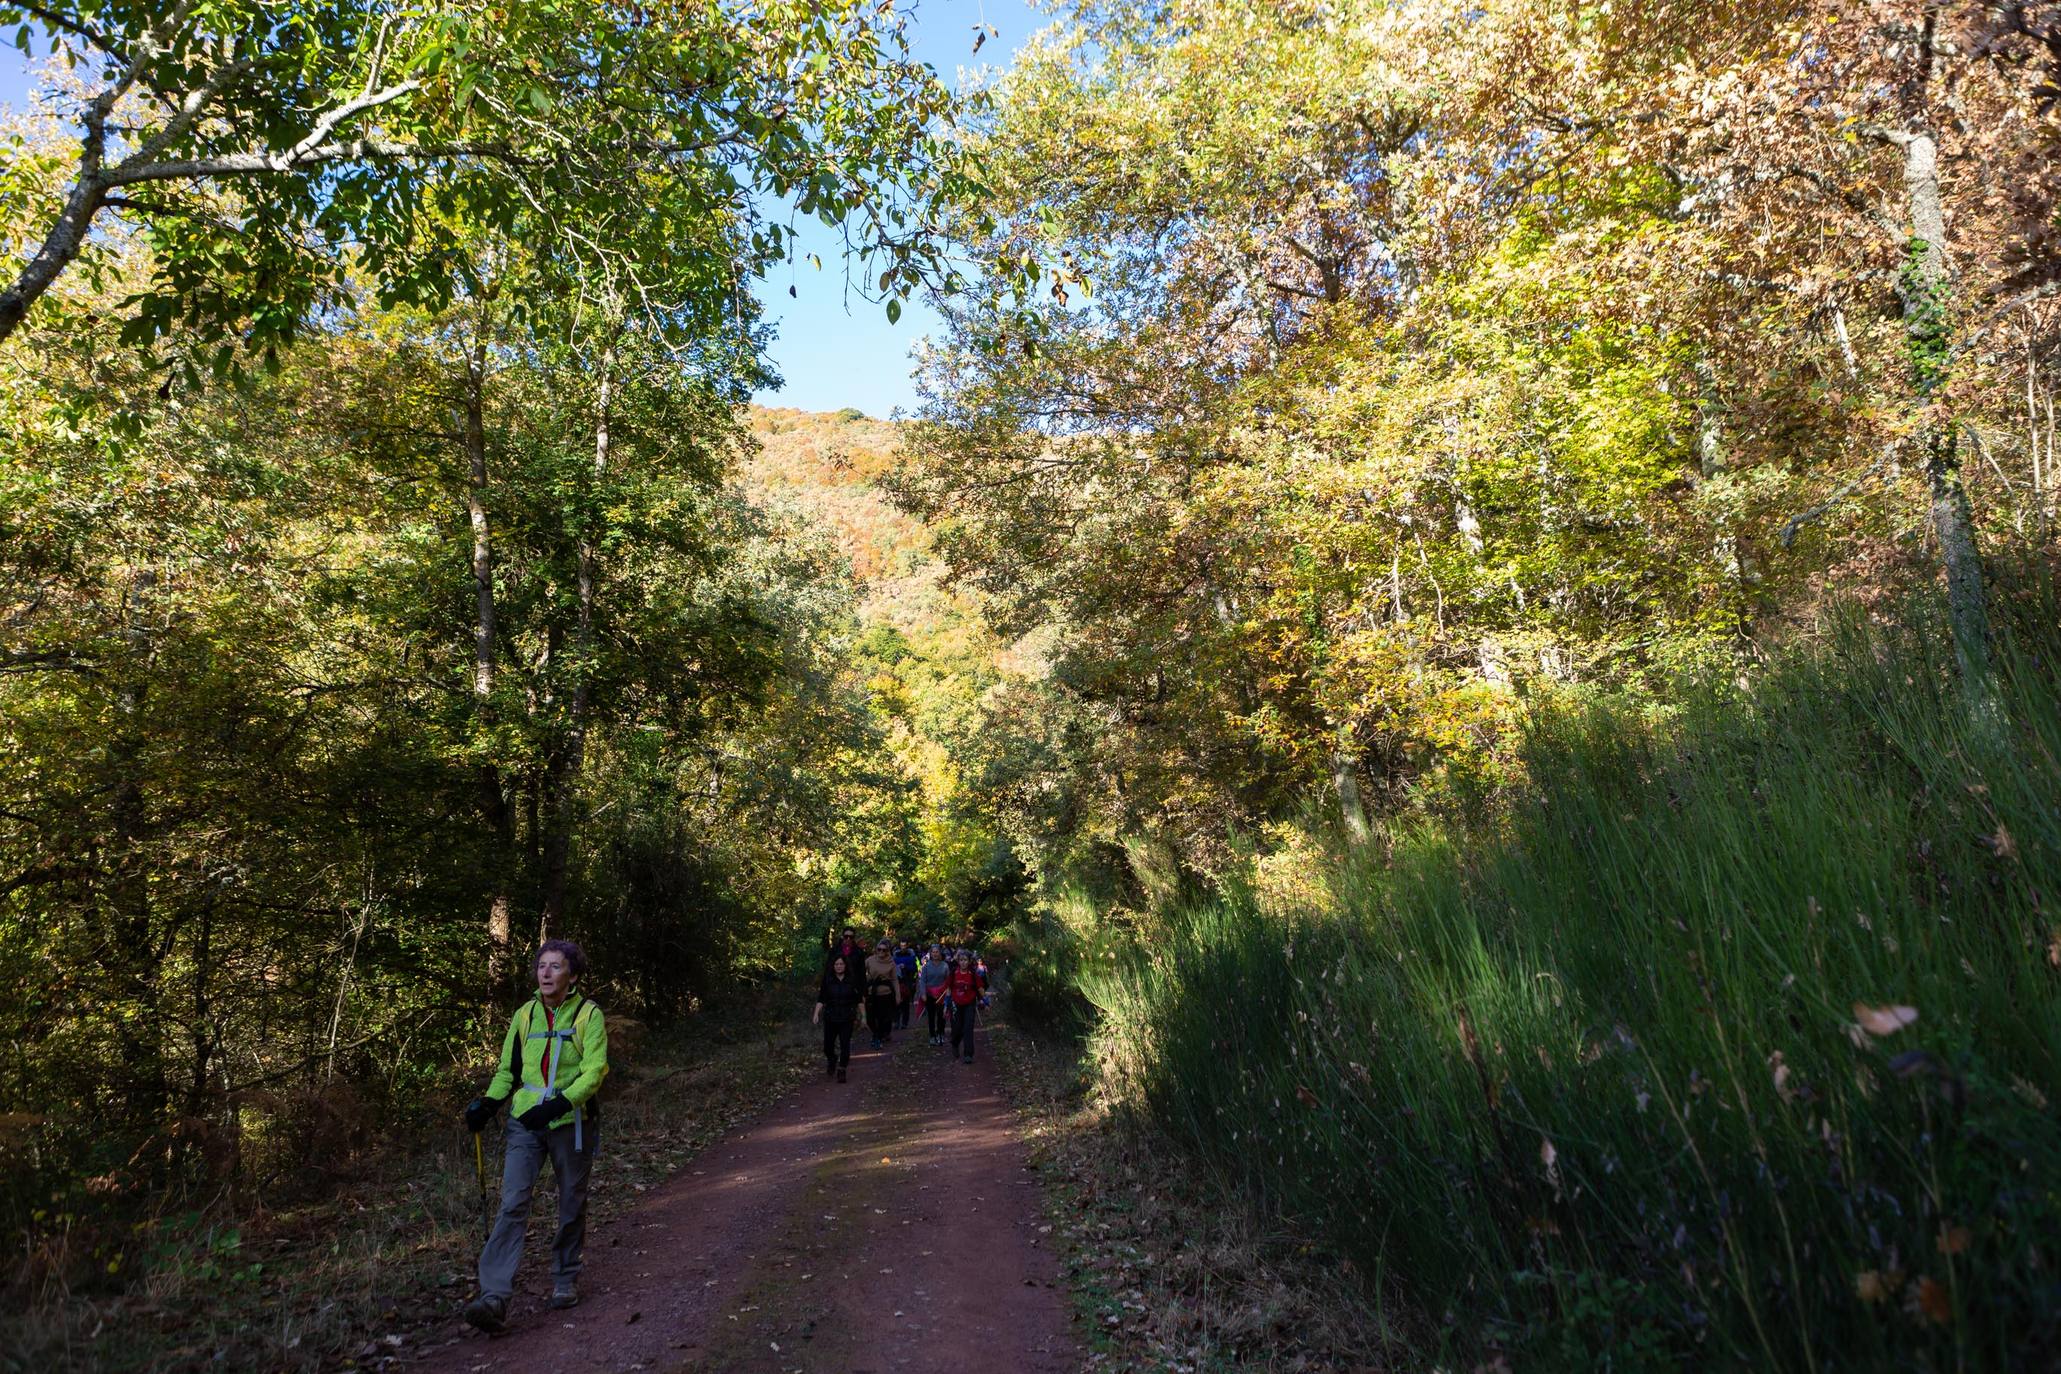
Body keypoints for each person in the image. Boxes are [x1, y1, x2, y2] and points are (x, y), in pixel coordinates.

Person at [461, 939, 610, 1332]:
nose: (545, 973)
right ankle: (493, 1297)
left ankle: (564, 1279)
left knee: (570, 1203)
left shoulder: (587, 1015)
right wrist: (488, 1103)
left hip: (570, 1123)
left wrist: (563, 1103)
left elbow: (595, 1070)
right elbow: (508, 1070)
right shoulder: (524, 1015)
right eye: (542, 966)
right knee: (512, 1203)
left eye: (556, 966)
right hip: (525, 1123)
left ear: (572, 975)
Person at [814, 954, 862, 1081]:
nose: (839, 966)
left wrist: (864, 1017)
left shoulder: (852, 980)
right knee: (827, 1046)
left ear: (845, 965)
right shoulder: (828, 980)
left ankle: (842, 1069)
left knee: (845, 1044)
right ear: (833, 966)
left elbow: (859, 1000)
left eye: (841, 964)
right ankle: (832, 1059)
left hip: (847, 1017)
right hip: (830, 1017)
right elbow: (821, 998)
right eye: (836, 964)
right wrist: (816, 1013)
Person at [944, 949, 989, 1065]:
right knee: (957, 1028)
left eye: (965, 960)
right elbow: (948, 988)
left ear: (969, 961)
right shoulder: (954, 973)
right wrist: (946, 1003)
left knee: (968, 1028)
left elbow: (980, 988)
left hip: (969, 1004)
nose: (963, 962)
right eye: (961, 960)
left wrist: (985, 1000)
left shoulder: (973, 974)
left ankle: (968, 1054)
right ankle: (955, 1043)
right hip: (955, 1004)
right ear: (958, 961)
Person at [863, 940, 899, 1049]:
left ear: (888, 951)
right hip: (872, 993)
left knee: (884, 1018)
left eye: (884, 950)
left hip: (886, 994)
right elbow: (861, 974)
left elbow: (894, 979)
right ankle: (876, 1034)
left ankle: (877, 1037)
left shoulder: (891, 962)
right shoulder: (869, 960)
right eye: (879, 949)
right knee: (870, 1017)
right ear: (876, 949)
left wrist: (898, 995)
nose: (881, 952)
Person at [919, 943, 950, 1046]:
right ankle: (932, 1035)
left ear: (940, 953)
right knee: (931, 1016)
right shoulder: (926, 966)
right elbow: (922, 980)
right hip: (929, 994)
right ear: (930, 954)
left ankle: (940, 1034)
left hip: (942, 994)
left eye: (937, 952)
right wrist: (923, 993)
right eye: (933, 952)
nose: (935, 954)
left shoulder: (945, 965)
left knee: (941, 1015)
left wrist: (948, 992)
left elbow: (948, 980)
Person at [892, 941, 918, 1030]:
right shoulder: (896, 954)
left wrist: (906, 967)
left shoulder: (911, 955)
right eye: (901, 945)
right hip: (897, 981)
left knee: (905, 1003)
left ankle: (904, 1022)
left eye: (904, 945)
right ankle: (896, 1021)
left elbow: (914, 968)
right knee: (896, 1002)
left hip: (907, 981)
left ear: (907, 946)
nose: (903, 947)